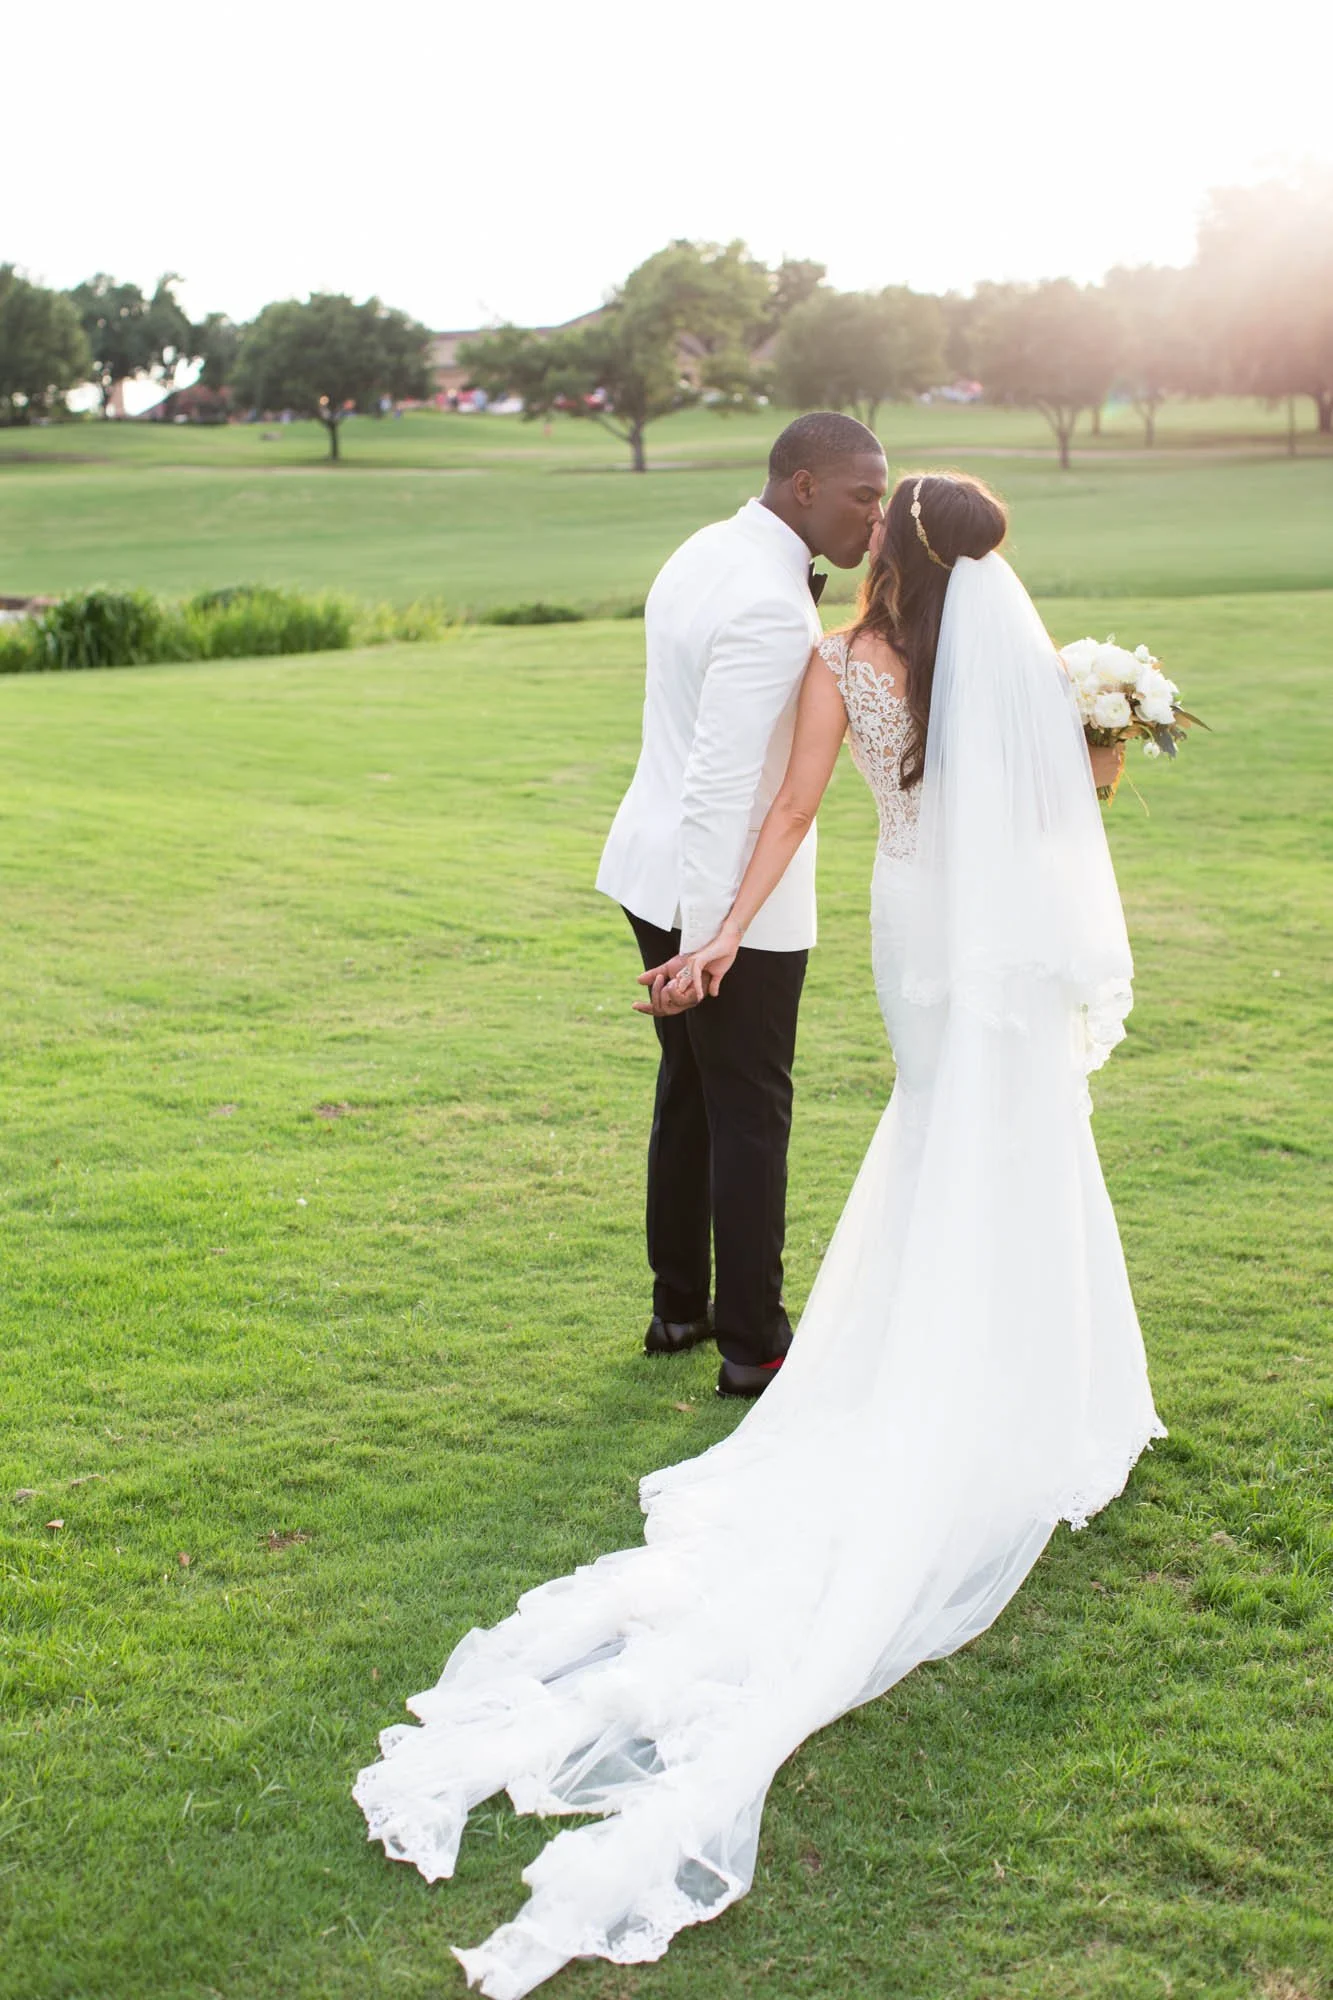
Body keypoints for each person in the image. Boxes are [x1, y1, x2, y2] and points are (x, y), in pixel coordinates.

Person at [354, 472, 1164, 1998]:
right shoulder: (1006, 665)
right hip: (992, 928)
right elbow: (1052, 806)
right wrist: (1100, 731)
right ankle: (1041, 1389)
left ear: (891, 554)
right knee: (1018, 1143)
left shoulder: (843, 662)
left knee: (940, 1136)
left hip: (911, 928)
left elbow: (799, 804)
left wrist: (717, 930)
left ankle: (956, 1370)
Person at [595, 413, 889, 1396]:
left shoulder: (702, 548)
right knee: (750, 1111)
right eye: (862, 495)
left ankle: (677, 1303)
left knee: (691, 1091)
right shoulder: (768, 603)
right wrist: (714, 937)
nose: (875, 516)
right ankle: (753, 1343)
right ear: (803, 485)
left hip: (654, 867)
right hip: (721, 898)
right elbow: (723, 782)